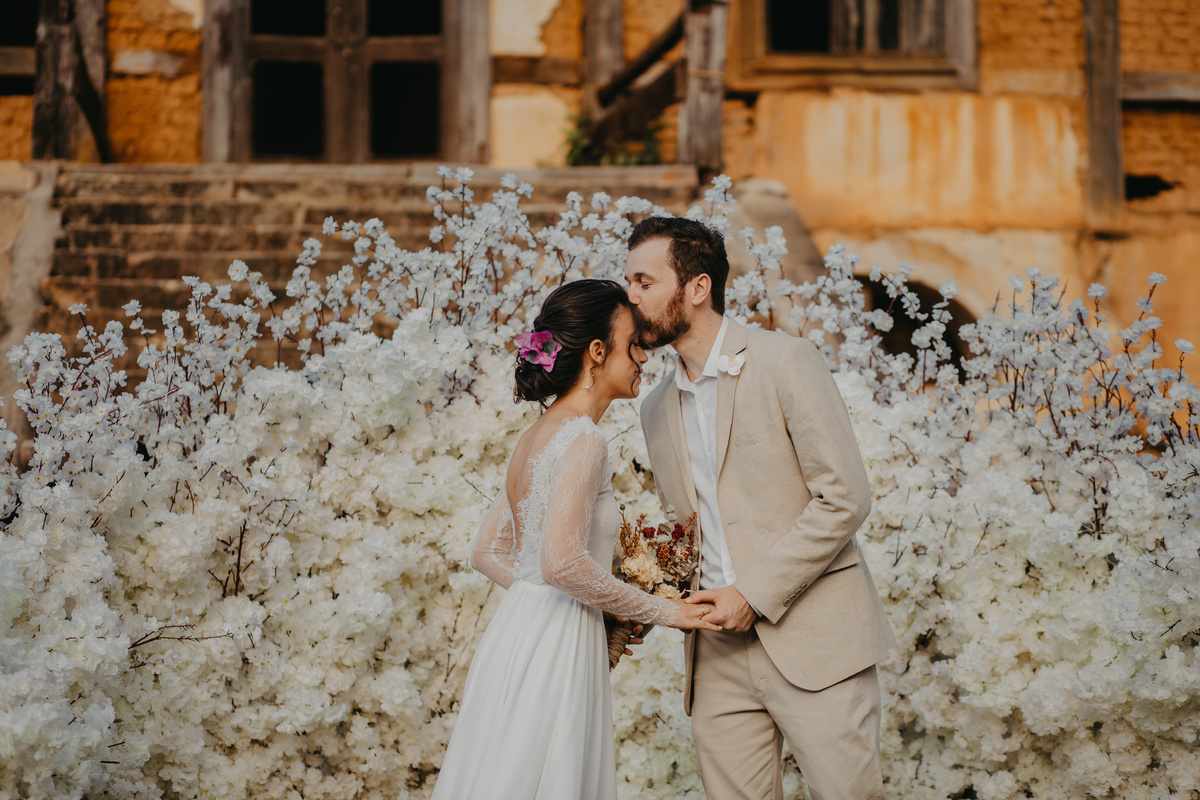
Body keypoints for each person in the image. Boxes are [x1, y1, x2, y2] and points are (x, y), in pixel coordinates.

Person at [626, 217, 896, 800]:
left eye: (644, 282)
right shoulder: (652, 408)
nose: (631, 297)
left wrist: (751, 594)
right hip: (713, 652)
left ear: (696, 288)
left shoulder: (786, 361)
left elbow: (845, 497)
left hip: (814, 637)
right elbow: (688, 529)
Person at [431, 278, 721, 800]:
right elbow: (562, 564)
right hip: (557, 644)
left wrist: (585, 602)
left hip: (518, 632)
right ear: (596, 351)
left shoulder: (537, 434)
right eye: (634, 343)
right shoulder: (584, 438)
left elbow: (490, 551)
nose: (642, 359)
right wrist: (664, 610)